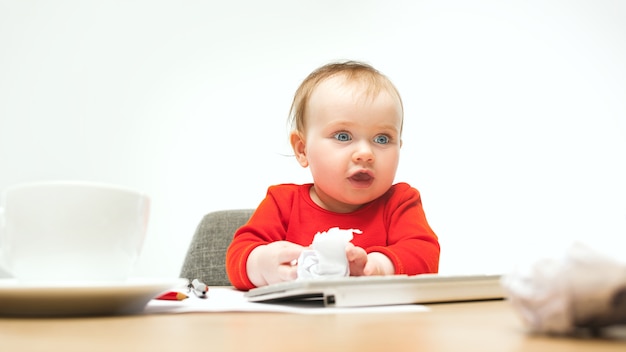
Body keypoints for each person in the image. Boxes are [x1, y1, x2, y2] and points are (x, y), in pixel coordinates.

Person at [226, 60, 440, 290]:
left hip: (379, 324)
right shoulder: (282, 202)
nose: (365, 154)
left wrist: (378, 267)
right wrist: (263, 264)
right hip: (297, 323)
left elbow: (425, 255)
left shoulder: (400, 202)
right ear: (302, 149)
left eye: (382, 139)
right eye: (343, 136)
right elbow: (238, 254)